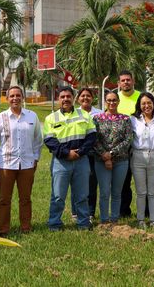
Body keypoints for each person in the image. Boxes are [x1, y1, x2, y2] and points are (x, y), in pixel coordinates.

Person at [0, 85, 43, 236]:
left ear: (22, 97)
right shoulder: (0, 118)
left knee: (25, 198)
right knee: (4, 199)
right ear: (7, 99)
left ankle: (25, 227)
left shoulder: (32, 116)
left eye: (18, 95)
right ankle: (3, 229)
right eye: (12, 96)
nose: (15, 98)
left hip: (27, 164)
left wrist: (36, 158)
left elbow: (38, 140)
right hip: (6, 164)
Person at [43, 86, 96, 231]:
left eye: (68, 96)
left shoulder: (85, 115)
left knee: (82, 195)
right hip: (61, 162)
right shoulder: (51, 118)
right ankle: (54, 223)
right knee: (58, 195)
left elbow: (91, 137)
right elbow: (49, 141)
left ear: (73, 98)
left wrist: (79, 152)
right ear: (58, 99)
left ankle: (83, 223)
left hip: (81, 161)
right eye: (62, 97)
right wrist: (67, 153)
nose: (65, 99)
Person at [92, 90, 133, 223]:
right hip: (101, 160)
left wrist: (111, 154)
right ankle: (104, 219)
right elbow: (94, 139)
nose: (112, 103)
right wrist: (105, 155)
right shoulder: (97, 119)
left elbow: (128, 139)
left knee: (117, 192)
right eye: (109, 100)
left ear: (118, 102)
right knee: (104, 192)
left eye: (114, 100)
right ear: (105, 102)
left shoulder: (125, 119)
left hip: (121, 161)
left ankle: (114, 218)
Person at [129, 92, 154, 228]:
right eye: (143, 103)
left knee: (152, 192)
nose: (146, 106)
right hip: (138, 156)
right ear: (139, 105)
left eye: (149, 103)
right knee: (141, 191)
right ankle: (140, 220)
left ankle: (153, 220)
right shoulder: (133, 119)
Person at [76, 87, 102, 221]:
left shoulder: (99, 113)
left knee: (92, 184)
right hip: (79, 154)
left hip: (94, 154)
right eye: (82, 95)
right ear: (78, 98)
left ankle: (90, 212)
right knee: (77, 183)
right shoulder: (74, 113)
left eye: (88, 96)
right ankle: (76, 212)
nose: (85, 98)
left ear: (93, 98)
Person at [116, 71, 139, 217]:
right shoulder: (114, 99)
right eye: (123, 80)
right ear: (119, 83)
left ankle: (147, 210)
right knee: (123, 181)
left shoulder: (141, 97)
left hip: (139, 145)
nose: (126, 82)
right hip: (121, 146)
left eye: (128, 80)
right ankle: (124, 210)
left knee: (142, 180)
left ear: (133, 81)